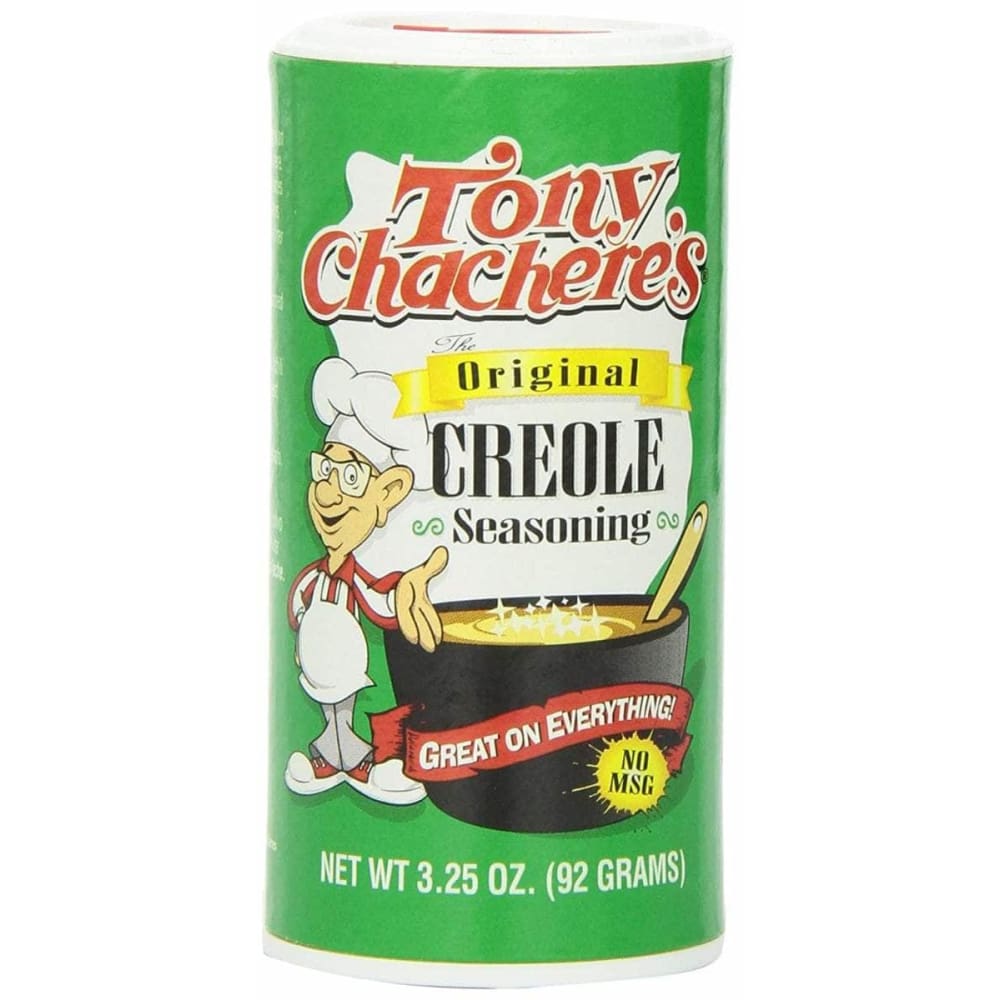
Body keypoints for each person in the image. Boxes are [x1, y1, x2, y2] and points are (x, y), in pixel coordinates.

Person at [284, 358, 447, 804]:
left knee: (359, 697)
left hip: (352, 671)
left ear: (390, 492)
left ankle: (364, 761)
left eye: (350, 477)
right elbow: (297, 609)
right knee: (330, 704)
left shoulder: (360, 580)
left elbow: (382, 600)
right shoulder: (313, 578)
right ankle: (330, 760)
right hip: (318, 668)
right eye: (325, 470)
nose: (327, 493)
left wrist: (409, 584)